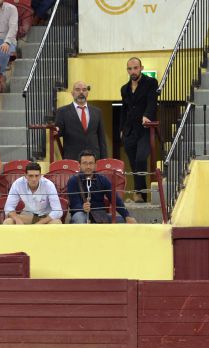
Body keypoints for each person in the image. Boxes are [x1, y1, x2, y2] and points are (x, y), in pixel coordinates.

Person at [120, 57, 158, 204]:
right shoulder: (124, 88)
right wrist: (122, 129)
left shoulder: (150, 83)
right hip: (129, 130)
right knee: (133, 163)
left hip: (145, 128)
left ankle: (139, 192)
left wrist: (147, 115)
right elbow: (124, 109)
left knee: (141, 159)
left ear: (141, 68)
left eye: (135, 68)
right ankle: (140, 194)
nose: (133, 71)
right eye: (130, 69)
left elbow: (152, 102)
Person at [66, 150, 136, 224]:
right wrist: (82, 207)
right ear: (79, 165)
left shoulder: (103, 179)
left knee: (124, 221)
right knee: (79, 218)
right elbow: (74, 204)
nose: (88, 166)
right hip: (81, 213)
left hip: (99, 215)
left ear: (95, 165)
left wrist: (127, 216)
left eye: (91, 163)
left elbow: (115, 200)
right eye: (85, 163)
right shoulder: (73, 180)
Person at [53, 81, 107, 161]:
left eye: (84, 90)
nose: (81, 92)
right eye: (77, 90)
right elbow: (59, 131)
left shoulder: (97, 112)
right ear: (72, 93)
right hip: (72, 158)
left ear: (87, 93)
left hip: (94, 158)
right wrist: (56, 130)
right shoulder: (62, 111)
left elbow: (101, 138)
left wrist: (103, 160)